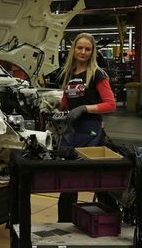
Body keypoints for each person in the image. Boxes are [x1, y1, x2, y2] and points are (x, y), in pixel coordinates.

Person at [57, 33, 116, 222]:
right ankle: (64, 224)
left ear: (92, 52)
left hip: (92, 133)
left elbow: (110, 104)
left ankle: (110, 221)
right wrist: (56, 107)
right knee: (68, 184)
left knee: (99, 183)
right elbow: (65, 103)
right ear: (73, 49)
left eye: (87, 49)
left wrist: (84, 109)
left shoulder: (97, 74)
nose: (83, 52)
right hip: (72, 132)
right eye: (79, 48)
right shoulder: (67, 73)